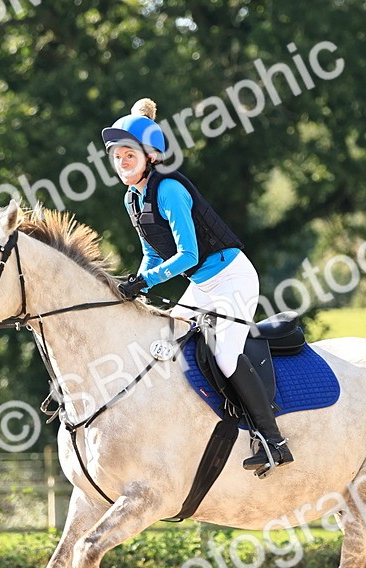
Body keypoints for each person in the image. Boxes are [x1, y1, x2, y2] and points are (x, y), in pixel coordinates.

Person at [102, 98, 293, 473]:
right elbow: (153, 255)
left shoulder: (170, 189)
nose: (122, 163)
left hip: (232, 278)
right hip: (203, 286)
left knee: (224, 355)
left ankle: (274, 440)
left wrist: (148, 280)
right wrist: (138, 282)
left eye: (129, 155)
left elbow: (187, 255)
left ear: (150, 156)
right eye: (117, 157)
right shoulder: (132, 197)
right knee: (163, 342)